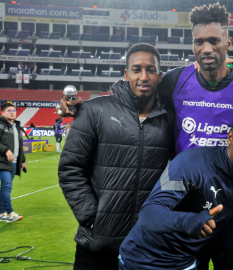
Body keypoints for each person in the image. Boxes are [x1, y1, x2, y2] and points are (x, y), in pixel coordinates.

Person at [60, 3, 233, 270]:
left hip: (231, 206)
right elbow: (137, 98)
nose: (206, 48)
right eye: (199, 42)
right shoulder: (175, 80)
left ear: (228, 42)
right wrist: (79, 106)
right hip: (182, 207)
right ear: (192, 45)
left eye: (214, 41)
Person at [58, 43, 174, 270]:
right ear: (126, 74)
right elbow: (71, 168)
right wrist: (91, 217)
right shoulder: (95, 110)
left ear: (160, 76)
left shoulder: (171, 118)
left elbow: (178, 171)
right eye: (136, 69)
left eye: (151, 70)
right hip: (96, 245)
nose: (143, 76)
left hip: (147, 244)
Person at [118, 109, 233, 270]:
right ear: (230, 137)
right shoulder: (190, 163)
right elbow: (148, 214)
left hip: (186, 262)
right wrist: (188, 221)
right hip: (143, 260)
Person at [0, 103, 26, 223]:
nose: (12, 112)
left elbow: (20, 145)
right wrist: (6, 150)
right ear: (3, 113)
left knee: (5, 188)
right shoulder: (1, 124)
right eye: (9, 110)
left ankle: (1, 213)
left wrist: (23, 160)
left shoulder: (16, 126)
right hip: (3, 161)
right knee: (6, 187)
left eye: (14, 110)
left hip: (14, 162)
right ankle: (10, 212)